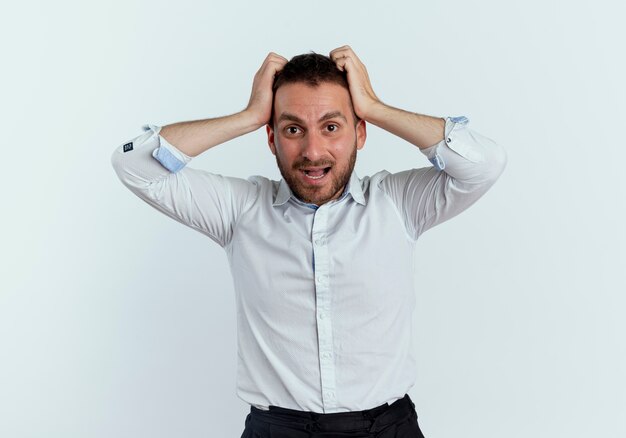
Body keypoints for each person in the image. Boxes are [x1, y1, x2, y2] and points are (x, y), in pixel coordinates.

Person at [111, 45, 507, 437]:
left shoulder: (398, 203)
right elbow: (132, 164)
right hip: (277, 429)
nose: (313, 151)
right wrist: (247, 116)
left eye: (332, 126)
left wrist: (374, 106)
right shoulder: (239, 210)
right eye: (293, 129)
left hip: (388, 428)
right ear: (271, 138)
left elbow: (483, 165)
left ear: (360, 132)